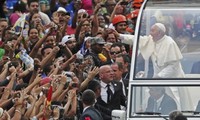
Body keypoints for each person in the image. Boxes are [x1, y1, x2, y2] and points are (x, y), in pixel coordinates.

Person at [118, 22, 185, 78]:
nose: (150, 33)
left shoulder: (169, 43)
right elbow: (136, 39)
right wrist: (120, 36)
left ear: (159, 33)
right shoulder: (151, 39)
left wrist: (159, 76)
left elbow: (173, 66)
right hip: (157, 80)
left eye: (152, 31)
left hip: (173, 80)